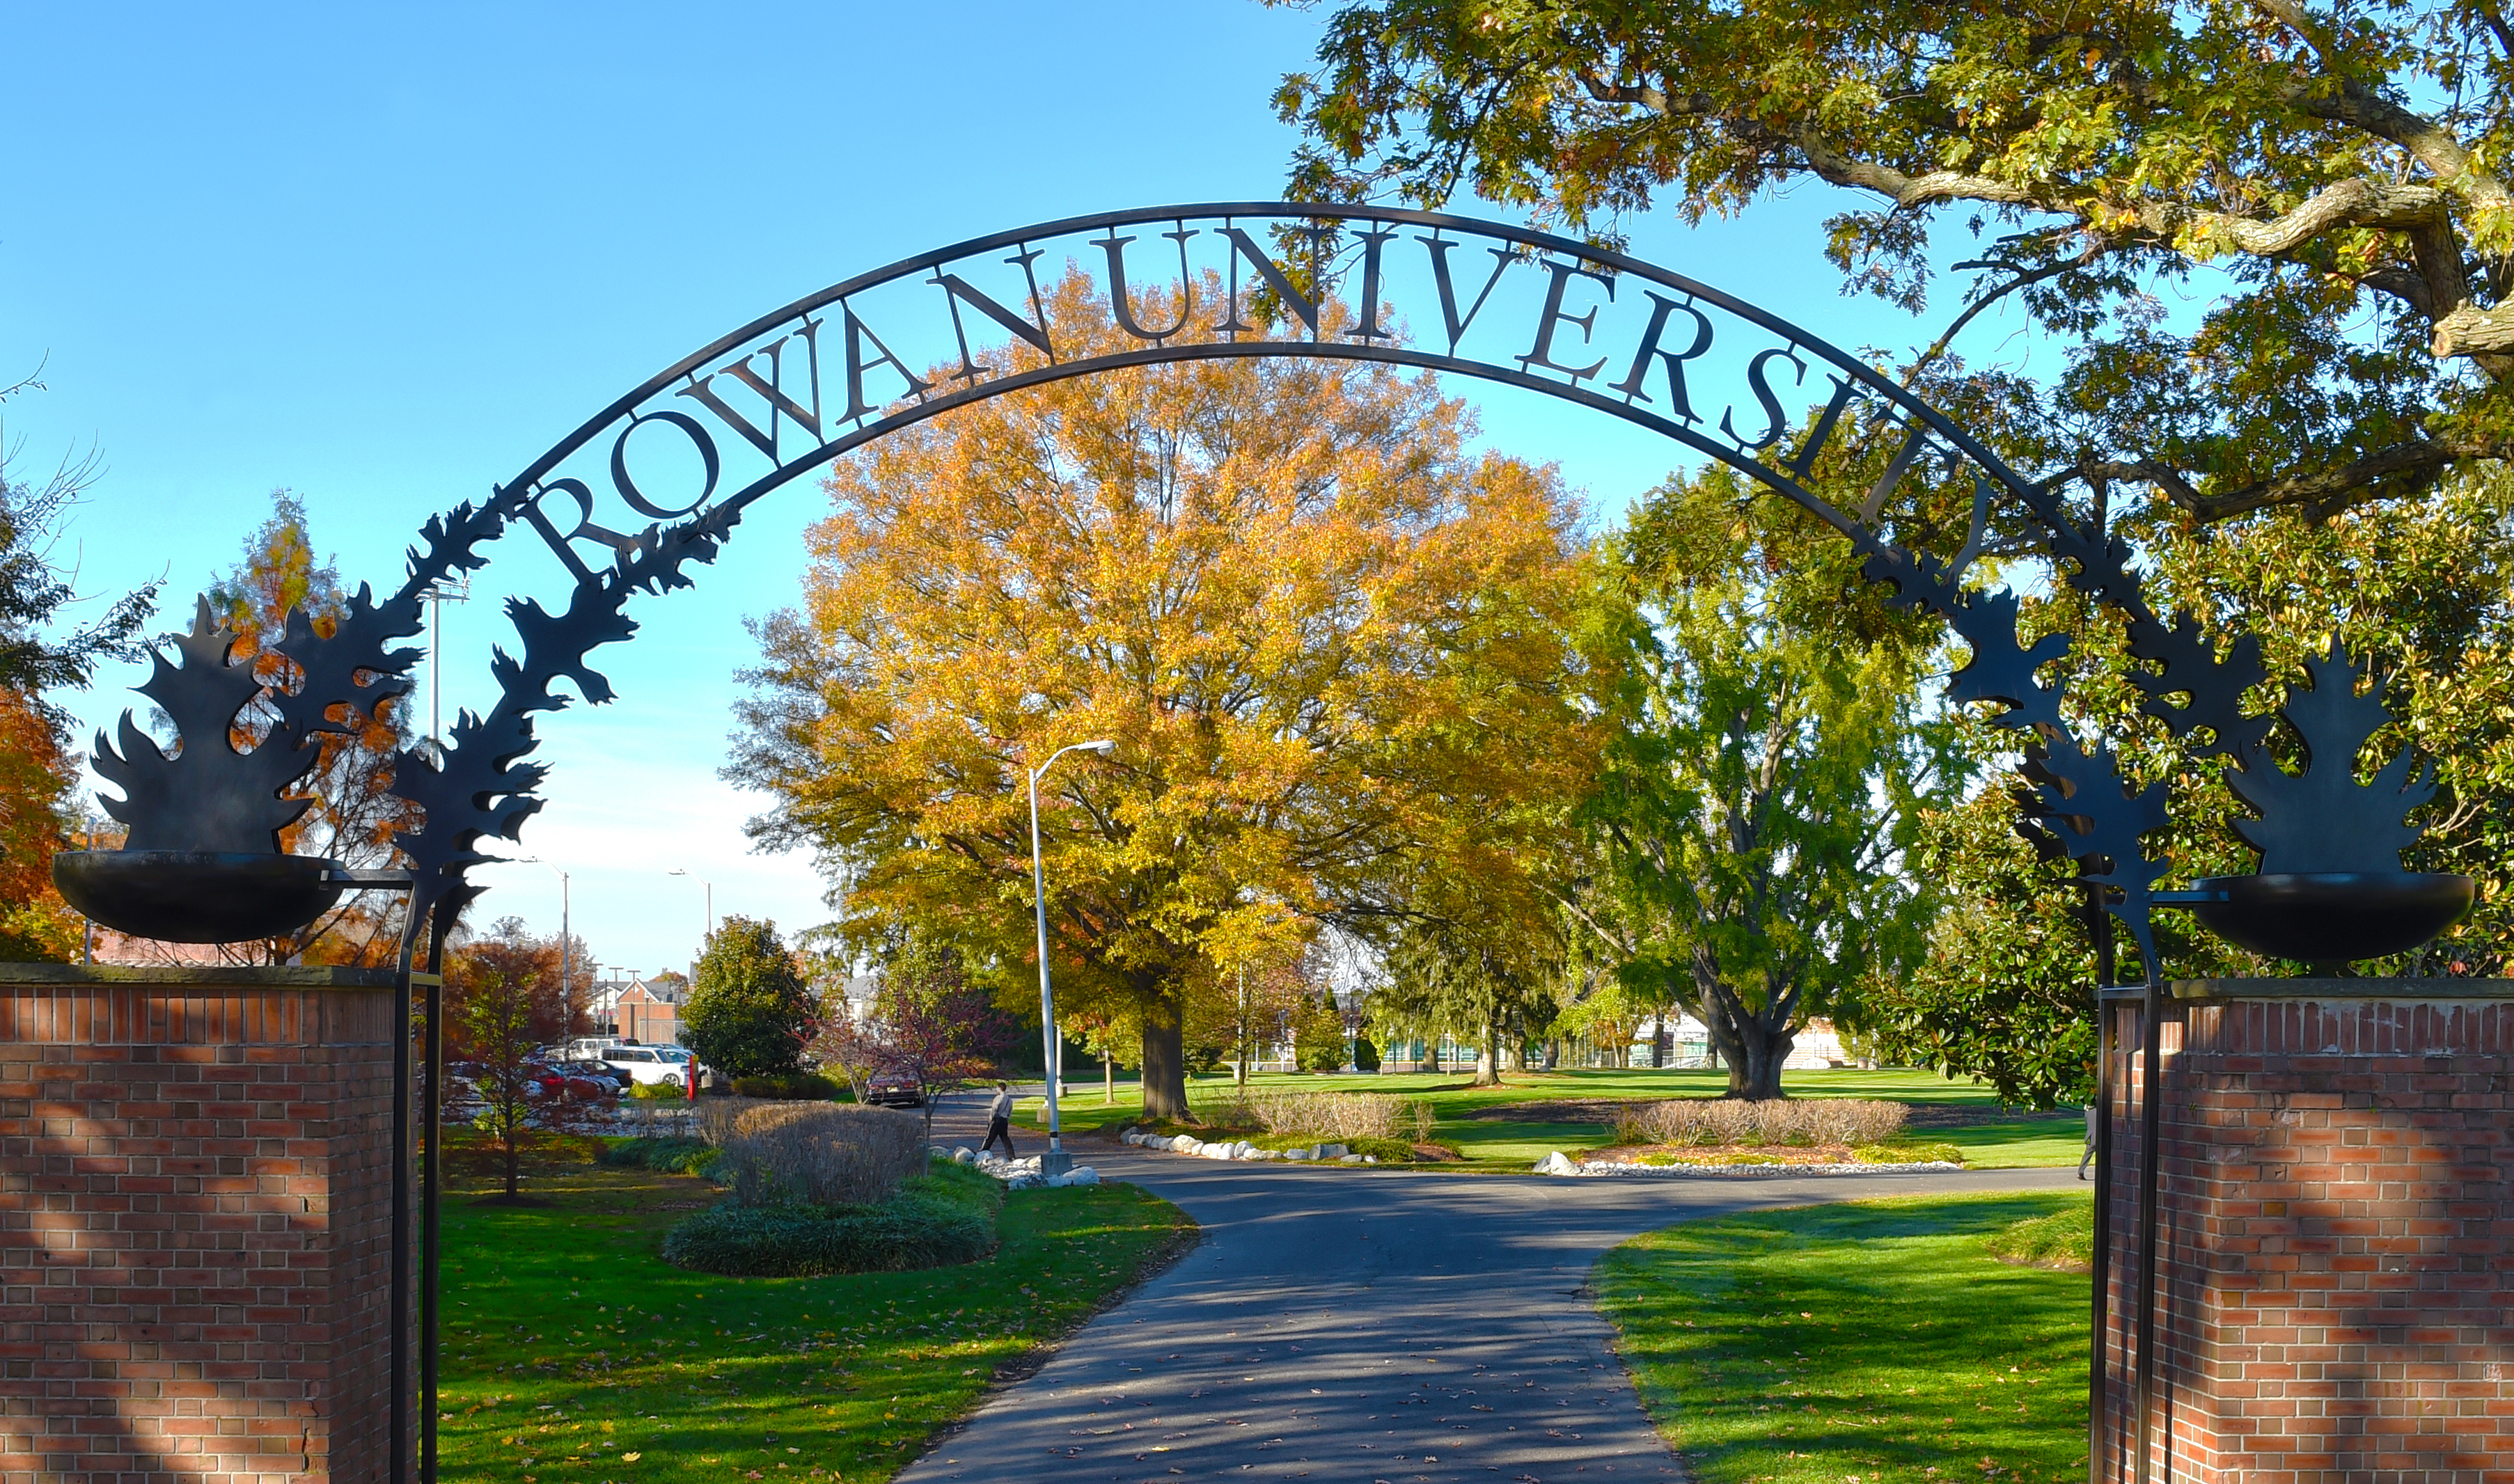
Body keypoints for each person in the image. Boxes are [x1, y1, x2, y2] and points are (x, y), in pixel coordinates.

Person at [980, 1080, 1016, 1157]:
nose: (996, 1090)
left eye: (997, 1088)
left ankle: (982, 1152)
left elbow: (994, 1109)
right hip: (1004, 1121)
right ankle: (1011, 1156)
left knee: (990, 1137)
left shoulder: (998, 1098)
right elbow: (1010, 1111)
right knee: (1005, 1138)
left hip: (997, 1121)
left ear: (1000, 1089)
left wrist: (991, 1119)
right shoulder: (1010, 1100)